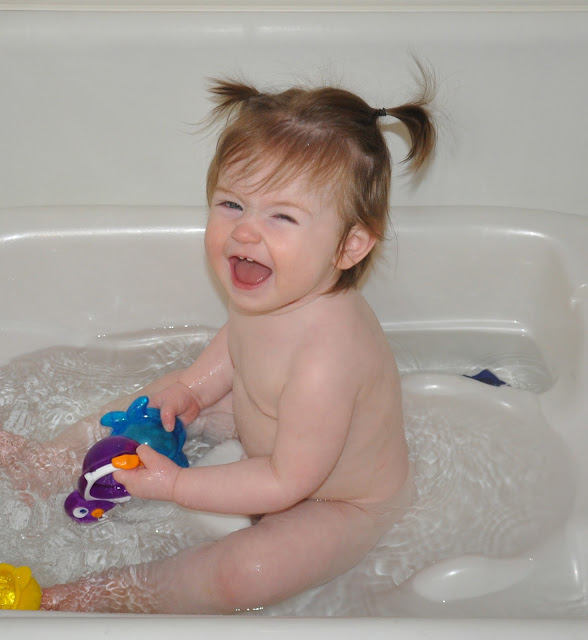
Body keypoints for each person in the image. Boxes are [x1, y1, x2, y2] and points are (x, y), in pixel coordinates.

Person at [4, 70, 436, 613]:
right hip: (274, 434)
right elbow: (241, 341)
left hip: (333, 499)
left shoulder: (327, 361)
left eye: (282, 216)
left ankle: (101, 595)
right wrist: (191, 387)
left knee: (247, 571)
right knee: (160, 400)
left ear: (349, 247)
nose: (245, 231)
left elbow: (284, 482)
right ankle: (45, 464)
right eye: (232, 204)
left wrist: (175, 487)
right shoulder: (277, 286)